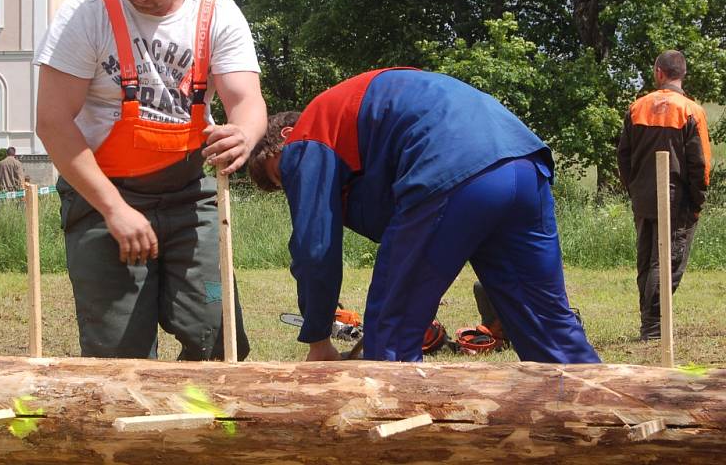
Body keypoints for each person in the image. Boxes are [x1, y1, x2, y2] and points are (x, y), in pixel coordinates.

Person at [34, 0, 266, 361]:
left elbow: (248, 102)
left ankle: (197, 427)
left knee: (219, 335)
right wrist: (115, 210)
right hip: (102, 196)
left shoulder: (216, 13)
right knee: (118, 353)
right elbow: (52, 123)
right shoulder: (85, 14)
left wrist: (244, 133)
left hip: (189, 197)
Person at [247, 68, 600, 364]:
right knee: (548, 327)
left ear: (285, 136)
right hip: (521, 160)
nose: (294, 188)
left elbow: (315, 248)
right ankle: (602, 422)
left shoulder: (307, 134)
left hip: (451, 166)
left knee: (392, 333)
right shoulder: (359, 119)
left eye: (284, 176)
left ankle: (394, 444)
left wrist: (318, 340)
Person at [617, 50, 711, 341]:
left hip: (644, 199)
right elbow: (701, 164)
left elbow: (624, 157)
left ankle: (649, 324)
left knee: (646, 262)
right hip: (677, 201)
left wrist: (633, 189)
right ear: (682, 75)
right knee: (667, 263)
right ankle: (654, 329)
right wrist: (697, 201)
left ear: (659, 73)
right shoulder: (692, 111)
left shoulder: (637, 108)